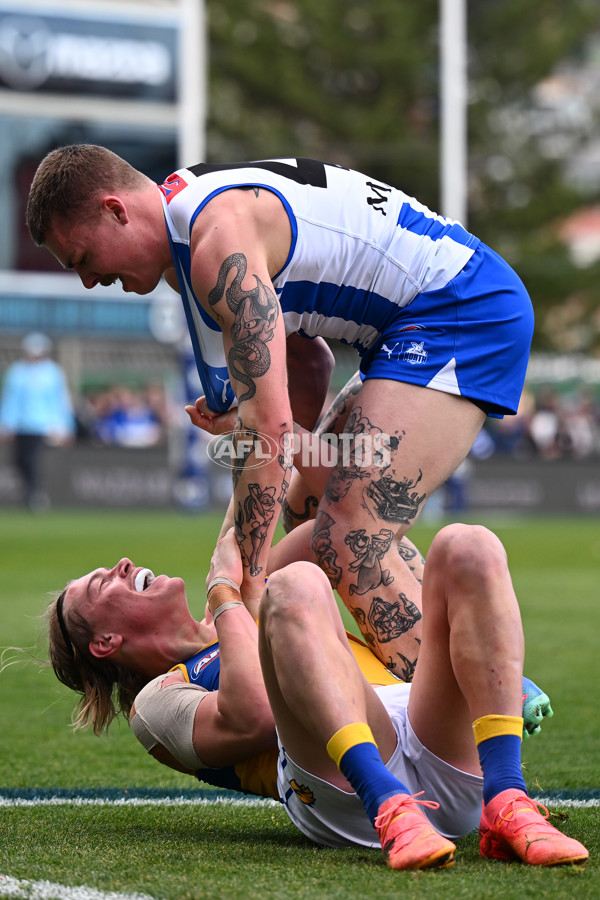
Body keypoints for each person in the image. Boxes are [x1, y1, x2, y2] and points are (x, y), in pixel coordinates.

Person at [28, 145, 534, 671]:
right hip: (417, 320)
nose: (88, 281)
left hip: (460, 307)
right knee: (309, 510)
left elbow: (267, 428)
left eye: (83, 259)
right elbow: (308, 363)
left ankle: (460, 728)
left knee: (346, 536)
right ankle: (475, 672)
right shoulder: (187, 227)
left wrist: (238, 586)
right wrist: (243, 556)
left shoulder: (212, 247)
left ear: (116, 210)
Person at [47, 524, 581, 870]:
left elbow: (343, 522)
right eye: (101, 585)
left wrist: (254, 421)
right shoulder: (157, 701)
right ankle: (389, 803)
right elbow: (253, 714)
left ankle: (507, 801)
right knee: (295, 583)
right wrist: (224, 593)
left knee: (470, 545)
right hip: (339, 786)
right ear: (104, 643)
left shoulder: (244, 597)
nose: (119, 563)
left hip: (418, 725)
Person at [0, 332, 75, 509]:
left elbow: (60, 401)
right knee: (20, 461)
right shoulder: (17, 371)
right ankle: (31, 492)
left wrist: (64, 426)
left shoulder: (52, 372)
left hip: (42, 426)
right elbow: (10, 400)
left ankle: (35, 494)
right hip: (20, 426)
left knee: (32, 460)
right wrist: (5, 425)